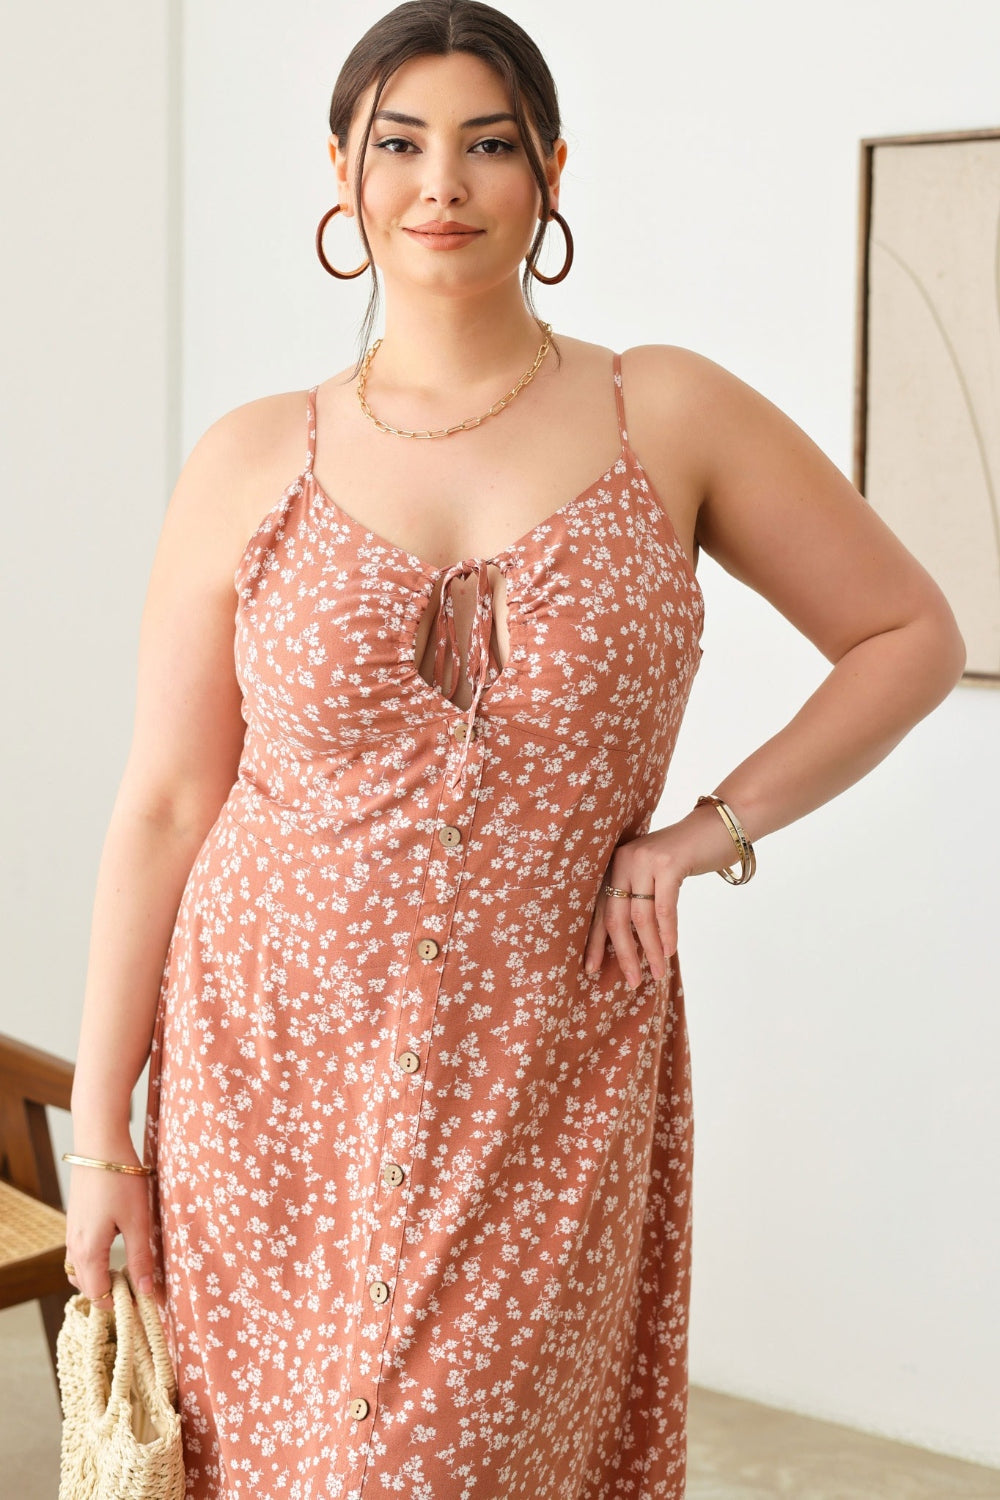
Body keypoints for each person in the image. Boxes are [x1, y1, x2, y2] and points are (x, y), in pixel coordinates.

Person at [62, 2, 966, 1497]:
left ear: (551, 171)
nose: (443, 184)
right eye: (400, 143)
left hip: (544, 1069)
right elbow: (164, 804)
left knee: (445, 1463)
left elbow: (908, 634)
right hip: (262, 1068)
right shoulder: (247, 458)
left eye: (488, 145)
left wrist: (701, 834)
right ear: (341, 176)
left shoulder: (662, 413)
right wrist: (103, 1141)